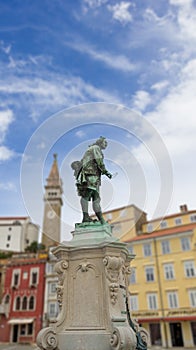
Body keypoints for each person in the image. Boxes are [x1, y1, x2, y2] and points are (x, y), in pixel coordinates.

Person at [71, 136, 112, 224]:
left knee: (96, 198)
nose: (106, 144)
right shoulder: (95, 148)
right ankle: (86, 217)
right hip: (90, 175)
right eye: (105, 143)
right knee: (88, 195)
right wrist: (106, 172)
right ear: (100, 142)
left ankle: (101, 220)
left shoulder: (94, 149)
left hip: (95, 177)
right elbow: (98, 160)